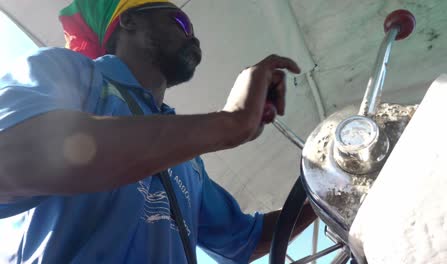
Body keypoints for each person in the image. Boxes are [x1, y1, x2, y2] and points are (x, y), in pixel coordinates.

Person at [0, 0, 316, 263]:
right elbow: (13, 155)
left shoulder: (187, 159)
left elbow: (245, 239)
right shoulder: (68, 73)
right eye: (179, 22)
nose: (194, 37)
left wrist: (332, 195)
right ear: (129, 21)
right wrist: (229, 122)